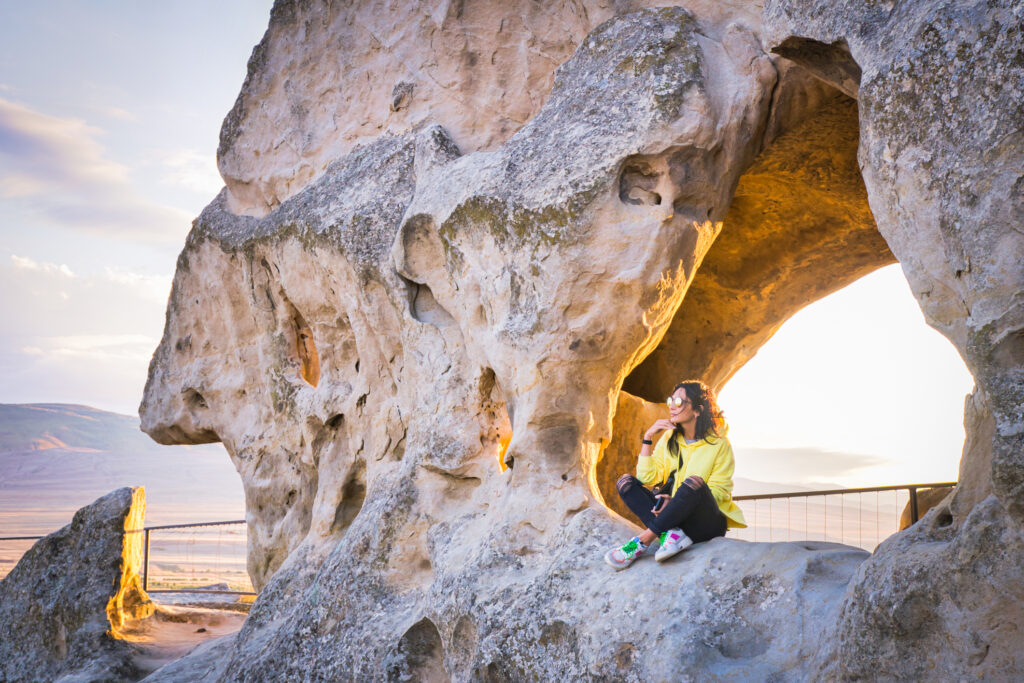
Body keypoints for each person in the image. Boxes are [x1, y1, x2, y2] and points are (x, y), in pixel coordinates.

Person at [605, 379, 746, 569]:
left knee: (694, 483)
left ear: (697, 409)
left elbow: (719, 492)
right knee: (626, 483)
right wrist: (647, 438)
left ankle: (643, 541)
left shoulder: (719, 444)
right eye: (670, 400)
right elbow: (647, 478)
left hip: (705, 522)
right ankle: (669, 534)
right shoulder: (670, 438)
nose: (671, 406)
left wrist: (676, 501)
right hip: (674, 519)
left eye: (679, 402)